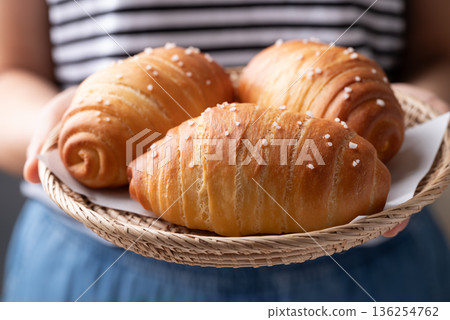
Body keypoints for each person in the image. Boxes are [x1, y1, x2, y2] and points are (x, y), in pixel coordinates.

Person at [1, 0, 449, 301]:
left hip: (374, 263)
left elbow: (439, 54)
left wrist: (426, 104)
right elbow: (10, 73)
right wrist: (51, 130)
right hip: (97, 267)